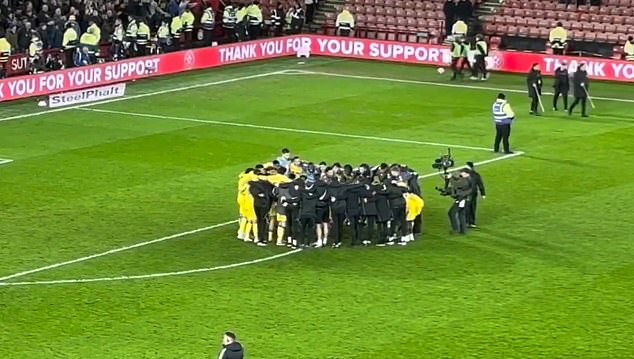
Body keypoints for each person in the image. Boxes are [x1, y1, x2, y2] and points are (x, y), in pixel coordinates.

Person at [464, 161, 485, 228]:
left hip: (468, 193)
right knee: (472, 207)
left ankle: (468, 222)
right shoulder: (476, 174)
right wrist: (483, 193)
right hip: (472, 193)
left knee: (468, 207)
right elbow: (480, 184)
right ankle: (471, 222)